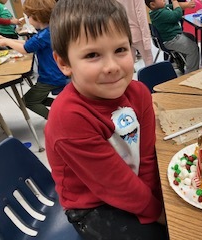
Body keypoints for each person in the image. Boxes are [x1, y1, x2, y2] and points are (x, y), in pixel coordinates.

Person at [45, 0, 169, 239]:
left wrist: (158, 201)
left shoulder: (140, 93)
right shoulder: (68, 117)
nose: (112, 66)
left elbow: (145, 159)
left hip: (130, 185)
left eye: (120, 50)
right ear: (64, 63)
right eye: (92, 54)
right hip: (91, 204)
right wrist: (158, 213)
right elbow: (112, 184)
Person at [0, 0, 69, 120]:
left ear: (37, 17)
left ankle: (57, 120)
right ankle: (66, 109)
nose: (28, 19)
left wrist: (6, 41)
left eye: (29, 16)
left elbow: (26, 48)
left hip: (52, 77)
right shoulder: (48, 31)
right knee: (36, 99)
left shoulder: (44, 35)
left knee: (28, 101)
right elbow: (29, 43)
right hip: (56, 75)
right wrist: (6, 39)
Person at [146, 0, 199, 73]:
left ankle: (184, 61)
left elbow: (174, 6)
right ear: (153, 5)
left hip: (174, 37)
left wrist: (187, 5)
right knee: (193, 48)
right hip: (171, 40)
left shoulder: (161, 9)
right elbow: (177, 15)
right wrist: (174, 1)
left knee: (191, 37)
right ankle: (191, 74)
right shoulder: (159, 13)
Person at [117, 0, 153, 66]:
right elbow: (141, 15)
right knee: (148, 59)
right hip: (138, 33)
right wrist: (146, 37)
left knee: (128, 62)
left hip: (123, 33)